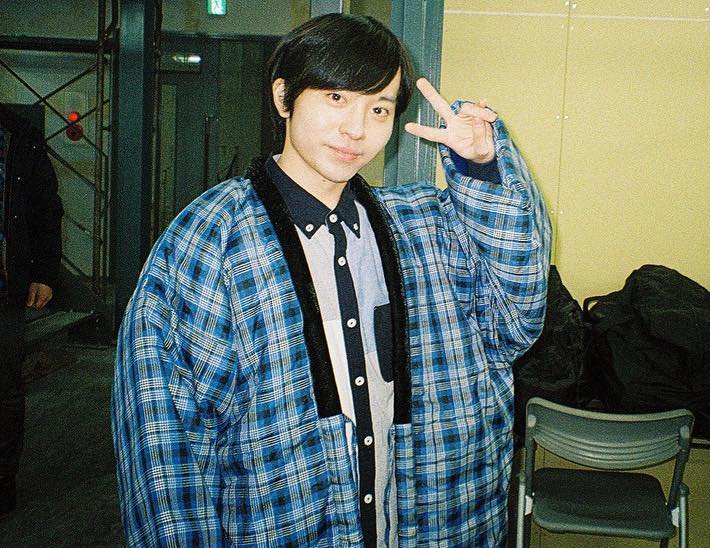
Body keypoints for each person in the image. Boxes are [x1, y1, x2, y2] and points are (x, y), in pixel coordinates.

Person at [112, 13, 550, 546]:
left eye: (379, 108)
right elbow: (165, 440)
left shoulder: (422, 227)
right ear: (283, 97)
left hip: (428, 523)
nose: (356, 129)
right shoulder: (213, 238)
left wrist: (482, 167)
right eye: (336, 98)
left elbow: (513, 321)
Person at [0, 105, 64, 517]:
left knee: (5, 391)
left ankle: (2, 483)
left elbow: (45, 209)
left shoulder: (19, 138)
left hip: (5, 290)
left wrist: (44, 273)